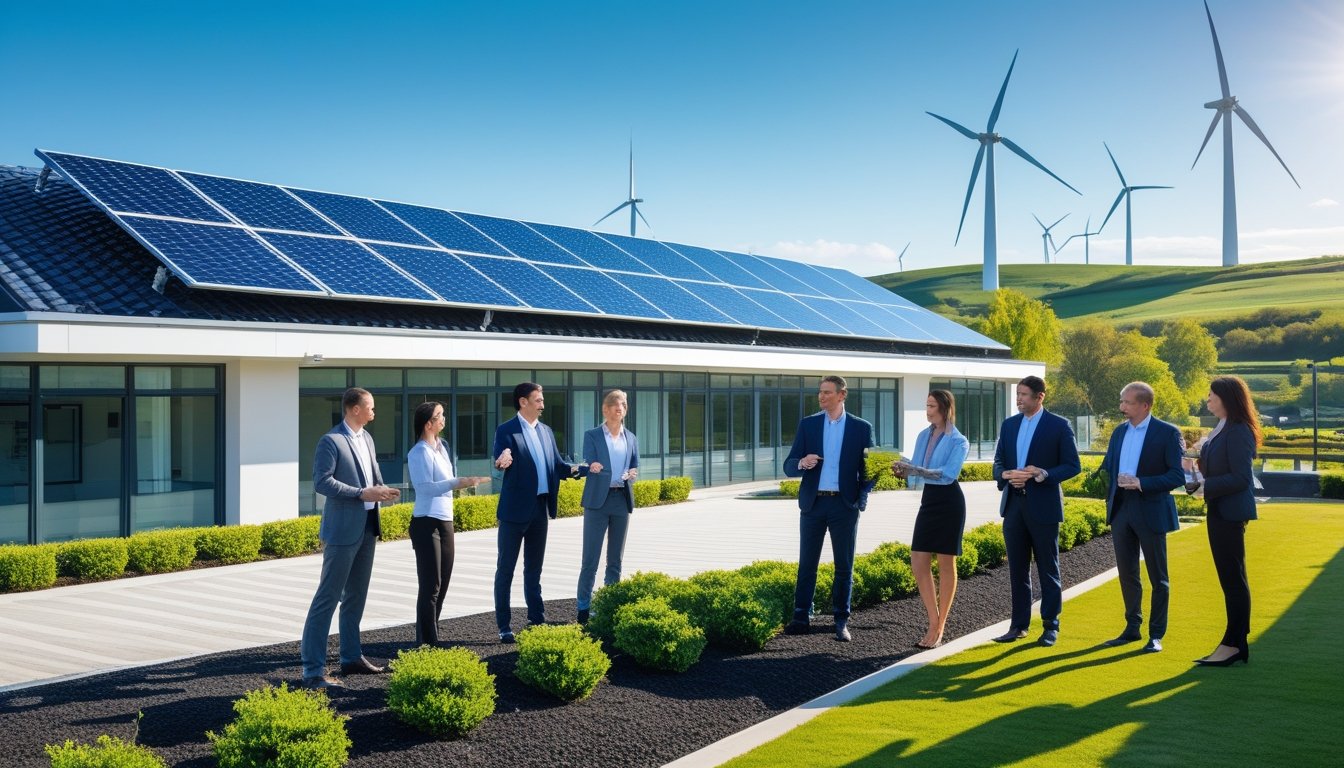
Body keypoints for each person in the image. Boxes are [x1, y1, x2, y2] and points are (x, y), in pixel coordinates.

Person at [300, 387, 401, 689]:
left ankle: (351, 657)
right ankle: (313, 671)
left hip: (368, 526)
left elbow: (373, 476)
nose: (374, 412)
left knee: (356, 596)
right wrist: (361, 493)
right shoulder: (330, 441)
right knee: (327, 598)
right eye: (370, 407)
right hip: (343, 530)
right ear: (354, 409)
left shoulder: (366, 438)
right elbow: (322, 482)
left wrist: (382, 490)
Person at [782, 375, 875, 642]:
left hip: (844, 505)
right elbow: (789, 466)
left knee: (844, 566)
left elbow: (871, 470)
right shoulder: (808, 425)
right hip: (813, 504)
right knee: (807, 564)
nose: (821, 397)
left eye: (827, 392)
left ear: (842, 395)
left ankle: (841, 621)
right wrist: (803, 462)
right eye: (820, 392)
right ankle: (801, 616)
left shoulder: (861, 428)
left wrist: (861, 495)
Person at [492, 382, 586, 643]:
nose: (543, 404)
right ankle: (504, 625)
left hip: (540, 509)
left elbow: (557, 466)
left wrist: (582, 469)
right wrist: (502, 461)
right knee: (506, 569)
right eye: (538, 400)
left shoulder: (545, 431)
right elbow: (500, 459)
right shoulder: (506, 430)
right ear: (523, 402)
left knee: (534, 570)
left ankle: (536, 618)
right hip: (513, 513)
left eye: (542, 400)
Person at [991, 375, 1081, 647]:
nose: (1018, 399)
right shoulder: (1009, 425)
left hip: (1043, 507)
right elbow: (998, 462)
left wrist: (1042, 474)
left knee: (1047, 568)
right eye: (1017, 394)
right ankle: (1018, 626)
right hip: (1014, 506)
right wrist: (1005, 474)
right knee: (1017, 569)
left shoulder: (1059, 426)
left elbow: (1072, 465)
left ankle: (1051, 626)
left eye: (1024, 395)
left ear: (1040, 396)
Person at [1099, 382, 1185, 653]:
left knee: (1158, 577)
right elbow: (1109, 467)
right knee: (1127, 574)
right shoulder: (1118, 432)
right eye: (1122, 402)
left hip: (1150, 509)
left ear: (1144, 405)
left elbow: (1177, 476)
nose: (1122, 407)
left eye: (1127, 403)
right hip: (1121, 510)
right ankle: (1131, 628)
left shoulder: (1168, 433)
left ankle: (1156, 634)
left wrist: (1141, 482)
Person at [1190, 375, 1260, 667]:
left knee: (1233, 580)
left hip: (1229, 512)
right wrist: (1195, 465)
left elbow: (1241, 478)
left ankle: (1234, 643)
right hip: (1218, 510)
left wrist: (1207, 486)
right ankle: (1233, 642)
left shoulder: (1239, 430)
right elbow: (1216, 467)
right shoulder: (1221, 428)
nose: (1207, 399)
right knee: (1229, 578)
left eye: (1212, 395)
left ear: (1227, 398)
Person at [892, 390, 969, 650]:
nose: (927, 411)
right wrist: (903, 471)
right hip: (929, 502)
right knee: (918, 561)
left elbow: (948, 475)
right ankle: (933, 620)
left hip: (950, 503)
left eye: (932, 406)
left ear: (945, 408)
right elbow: (915, 473)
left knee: (946, 562)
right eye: (926, 405)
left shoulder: (959, 441)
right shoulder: (923, 435)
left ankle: (940, 625)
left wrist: (916, 469)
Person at [407, 401, 486, 646]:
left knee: (442, 584)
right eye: (440, 416)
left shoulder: (443, 447)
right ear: (428, 423)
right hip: (426, 522)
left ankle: (429, 638)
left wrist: (462, 482)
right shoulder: (418, 452)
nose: (444, 419)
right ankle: (428, 644)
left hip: (445, 521)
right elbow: (424, 488)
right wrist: (458, 482)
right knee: (430, 586)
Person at [575, 389, 641, 624]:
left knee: (615, 560)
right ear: (605, 409)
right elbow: (589, 459)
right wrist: (592, 465)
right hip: (597, 502)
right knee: (590, 560)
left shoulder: (630, 437)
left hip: (621, 500)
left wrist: (633, 473)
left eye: (623, 404)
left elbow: (634, 465)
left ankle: (609, 606)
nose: (620, 407)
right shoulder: (592, 435)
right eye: (615, 404)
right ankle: (583, 609)